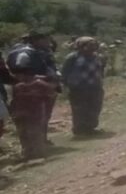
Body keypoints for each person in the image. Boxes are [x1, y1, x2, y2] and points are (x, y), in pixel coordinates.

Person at [6, 31, 59, 159]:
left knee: (40, 117)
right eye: (45, 39)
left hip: (37, 90)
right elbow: (20, 72)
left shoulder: (37, 51)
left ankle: (37, 145)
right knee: (32, 118)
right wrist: (41, 78)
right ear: (36, 40)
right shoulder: (25, 53)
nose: (48, 42)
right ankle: (31, 149)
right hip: (30, 91)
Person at [61, 37, 105, 135]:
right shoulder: (72, 57)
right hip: (78, 88)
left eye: (94, 45)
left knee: (95, 107)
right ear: (81, 46)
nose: (92, 48)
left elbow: (100, 70)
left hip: (95, 87)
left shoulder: (98, 57)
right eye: (89, 45)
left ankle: (91, 128)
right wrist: (65, 86)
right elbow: (64, 73)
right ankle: (79, 129)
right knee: (79, 109)